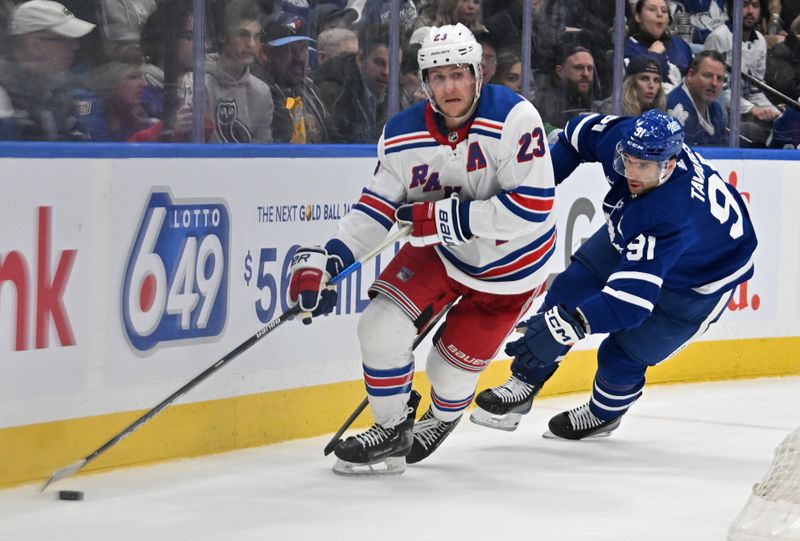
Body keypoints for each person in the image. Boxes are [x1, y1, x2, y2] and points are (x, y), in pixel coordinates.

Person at [287, 23, 556, 475]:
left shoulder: (515, 118)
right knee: (379, 327)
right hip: (441, 252)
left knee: (448, 373)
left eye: (458, 74)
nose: (449, 87)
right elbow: (377, 208)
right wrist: (329, 259)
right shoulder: (401, 134)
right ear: (424, 81)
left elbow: (531, 208)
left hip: (512, 267)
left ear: (477, 74)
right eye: (438, 77)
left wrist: (438, 217)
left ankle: (442, 417)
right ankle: (391, 431)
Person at [470, 109, 757, 440]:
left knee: (622, 355)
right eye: (628, 160)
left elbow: (628, 306)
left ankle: (603, 414)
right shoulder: (624, 138)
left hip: (699, 283)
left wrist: (564, 326)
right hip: (643, 234)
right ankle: (524, 382)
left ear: (671, 164)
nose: (632, 172)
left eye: (644, 166)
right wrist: (535, 193)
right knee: (569, 289)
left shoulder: (671, 213)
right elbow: (574, 137)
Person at [0, 0, 95, 140]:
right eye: (65, 39)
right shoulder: (4, 91)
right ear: (35, 46)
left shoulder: (61, 89)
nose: (75, 47)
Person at [704, 0, 781, 146]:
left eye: (755, 6)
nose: (750, 11)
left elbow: (755, 90)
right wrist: (753, 109)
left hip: (744, 112)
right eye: (744, 5)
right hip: (719, 115)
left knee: (783, 124)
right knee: (757, 132)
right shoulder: (719, 37)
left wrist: (775, 113)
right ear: (733, 10)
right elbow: (718, 92)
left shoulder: (760, 41)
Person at [254, 13, 330, 143]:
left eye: (302, 48)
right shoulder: (258, 93)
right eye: (289, 49)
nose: (299, 58)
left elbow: (333, 137)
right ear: (265, 53)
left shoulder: (309, 89)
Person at [205, 0, 273, 143]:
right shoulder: (198, 84)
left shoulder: (262, 92)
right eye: (243, 35)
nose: (251, 44)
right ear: (223, 36)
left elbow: (263, 154)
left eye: (257, 36)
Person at [315, 24, 392, 143]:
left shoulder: (391, 89)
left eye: (393, 65)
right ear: (361, 59)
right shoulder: (335, 93)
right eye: (379, 63)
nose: (386, 72)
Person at [624, 0, 694, 91]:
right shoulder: (626, 49)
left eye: (664, 11)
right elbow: (634, 91)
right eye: (652, 9)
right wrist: (654, 57)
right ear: (638, 17)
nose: (659, 14)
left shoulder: (680, 44)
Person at [667, 49, 728, 146]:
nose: (714, 83)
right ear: (690, 75)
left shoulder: (716, 110)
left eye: (719, 78)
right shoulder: (675, 107)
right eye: (708, 75)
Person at [533, 43, 596, 131]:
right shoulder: (543, 103)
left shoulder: (598, 104)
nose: (586, 74)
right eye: (578, 68)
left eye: (590, 68)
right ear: (560, 71)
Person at [596, 54, 666, 116]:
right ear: (631, 83)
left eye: (656, 80)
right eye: (644, 78)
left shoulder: (655, 113)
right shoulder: (613, 109)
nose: (651, 85)